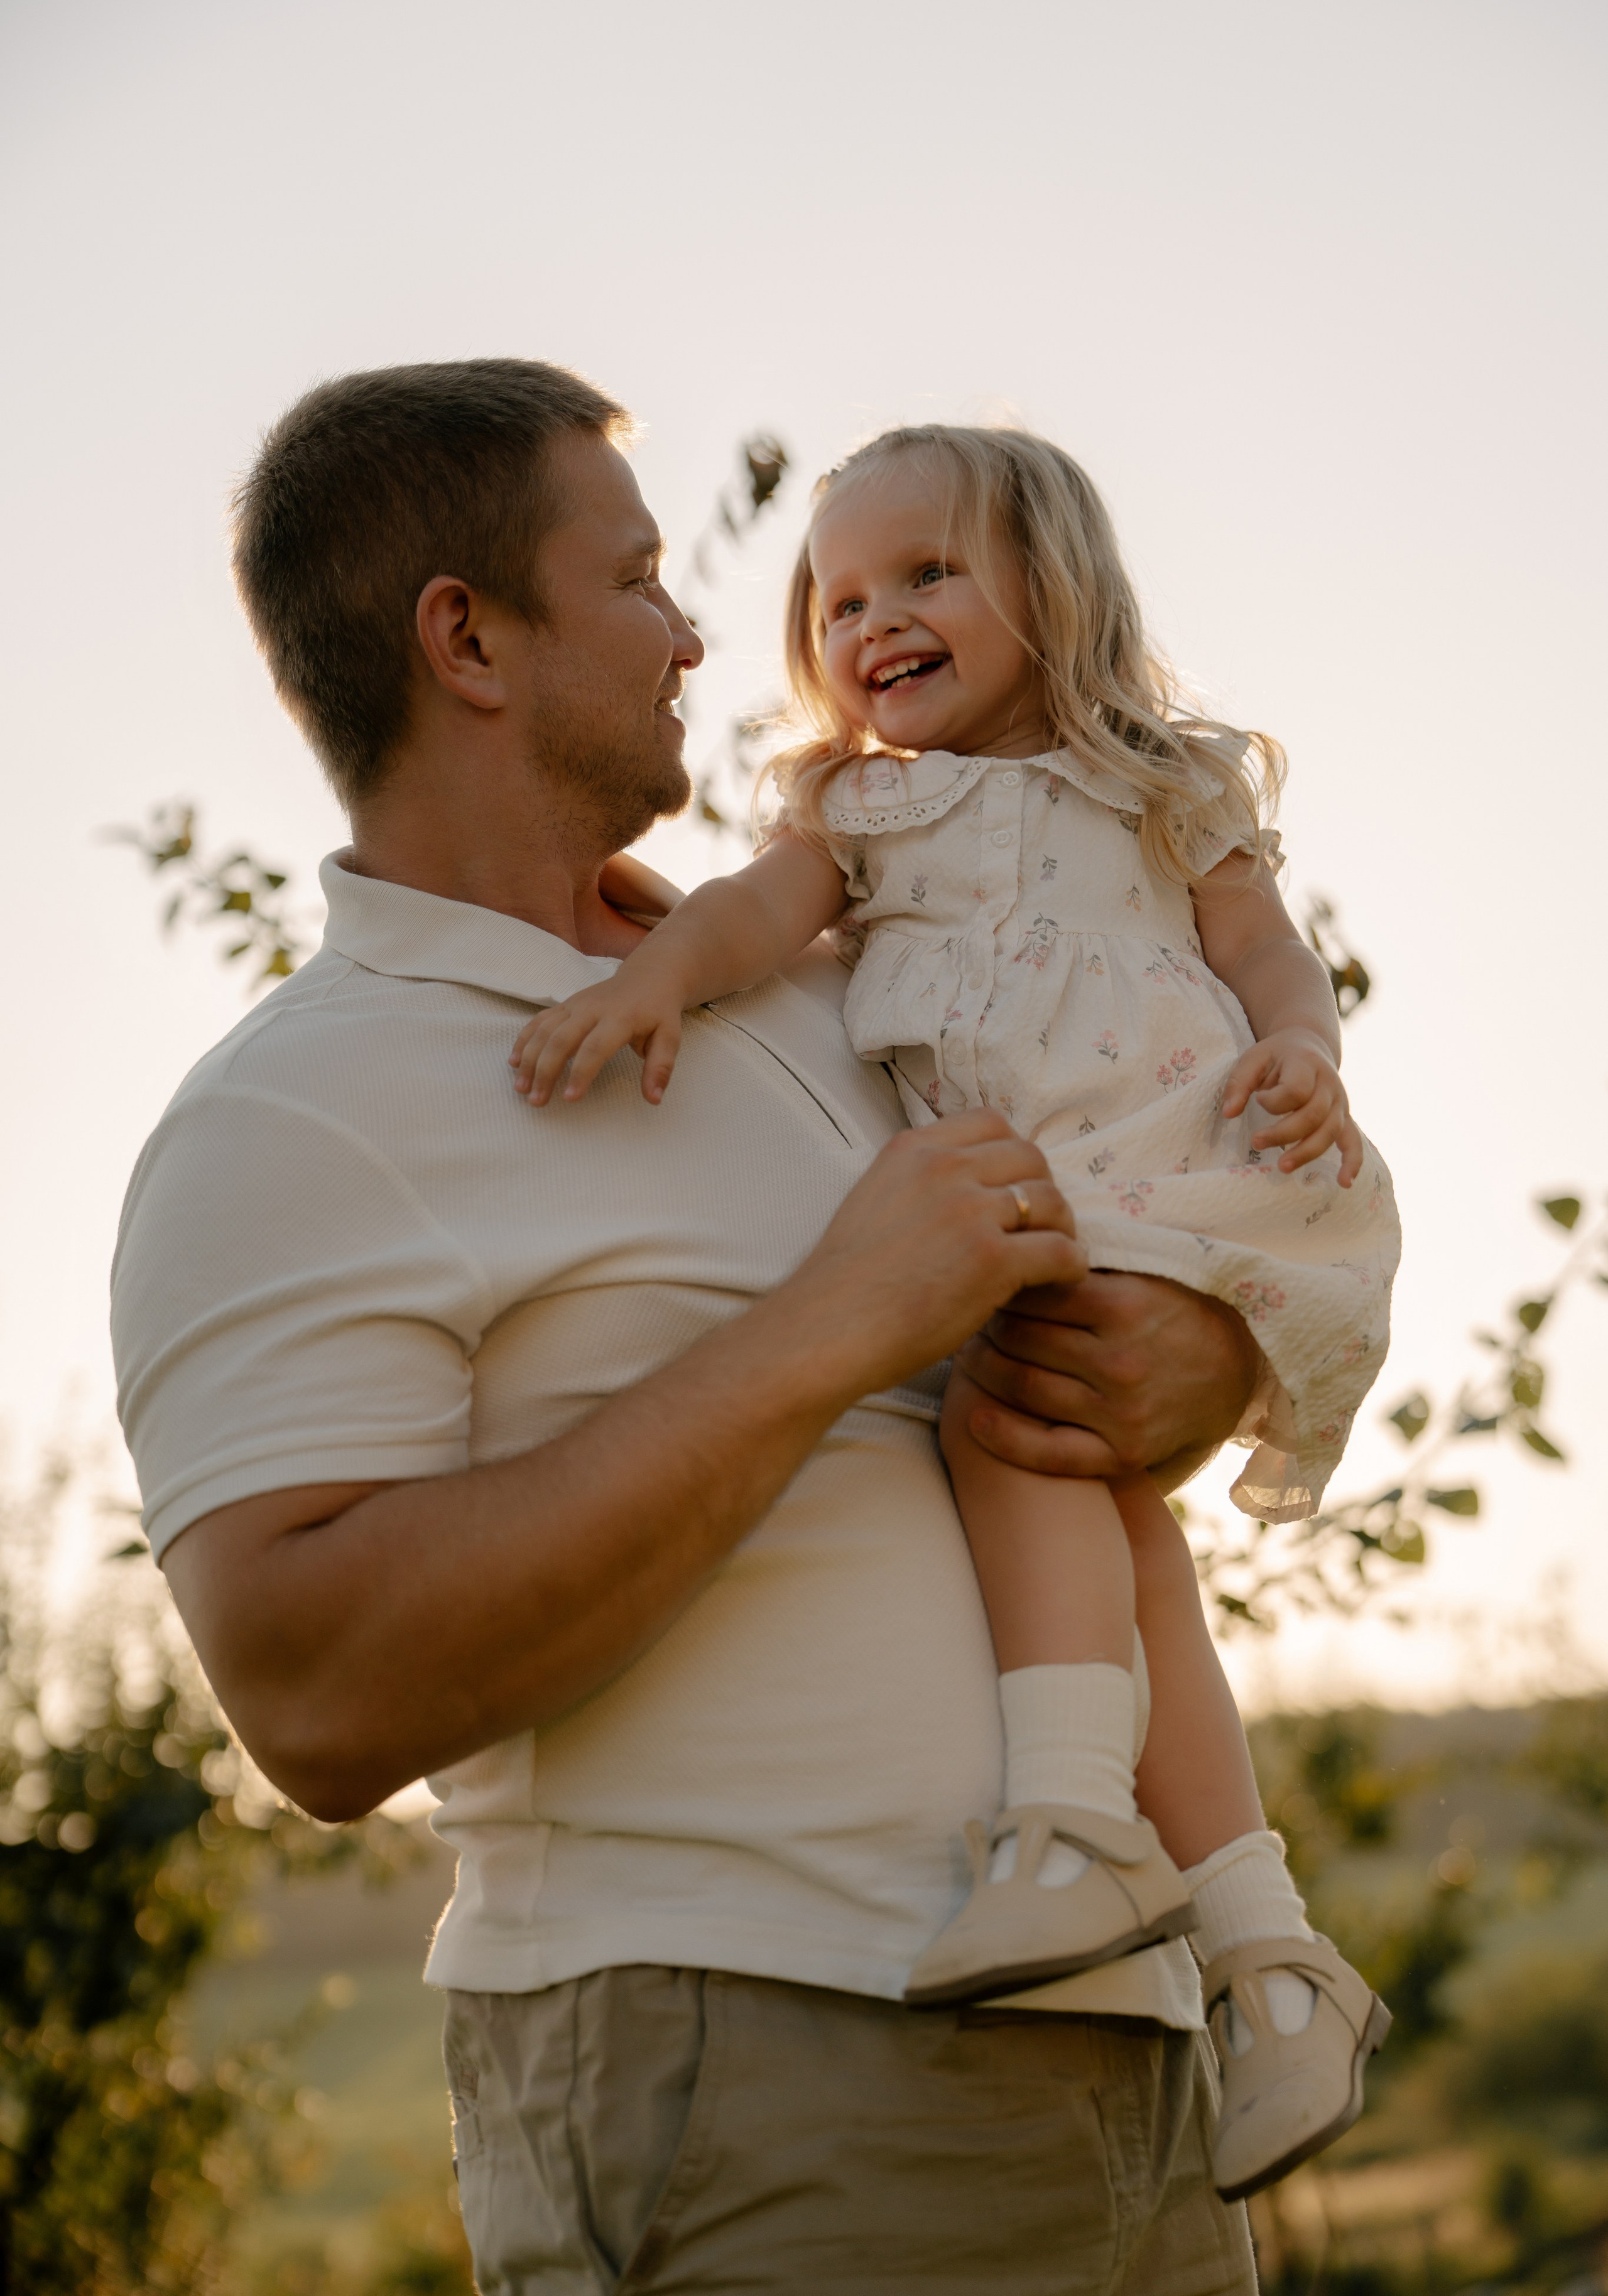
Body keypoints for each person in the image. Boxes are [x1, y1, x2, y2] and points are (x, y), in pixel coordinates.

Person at [112, 360, 1291, 2292]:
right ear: (466, 638)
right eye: (643, 581)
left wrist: (1208, 1359)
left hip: (1134, 2065)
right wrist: (831, 1326)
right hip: (761, 2078)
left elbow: (1180, 1202)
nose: (698, 636)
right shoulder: (293, 1110)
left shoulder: (856, 978)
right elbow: (311, 1696)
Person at [511, 423, 1399, 2197]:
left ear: (1051, 591)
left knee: (1013, 1443)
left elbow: (1264, 952)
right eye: (839, 598)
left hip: (1175, 1166)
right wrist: (659, 978)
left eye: (928, 573)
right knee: (1109, 1519)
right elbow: (758, 913)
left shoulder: (1161, 781)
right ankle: (1272, 1957)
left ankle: (1074, 1825)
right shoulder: (859, 811)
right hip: (1040, 1204)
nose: (876, 619)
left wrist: (1304, 1048)